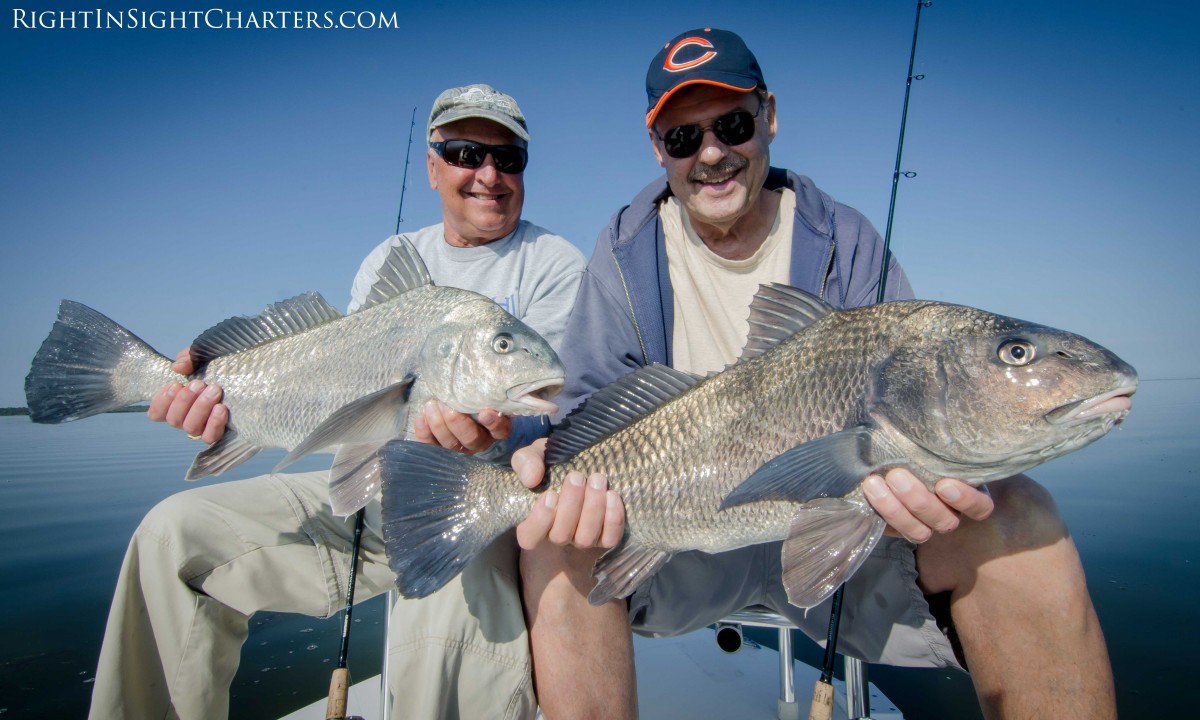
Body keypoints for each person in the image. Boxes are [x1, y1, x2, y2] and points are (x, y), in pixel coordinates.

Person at [511, 29, 1117, 720]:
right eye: (684, 139)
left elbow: (893, 468)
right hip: (674, 534)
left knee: (1021, 515)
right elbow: (588, 404)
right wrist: (546, 456)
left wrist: (902, 501)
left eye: (732, 125)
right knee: (550, 537)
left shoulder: (847, 236)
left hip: (852, 531)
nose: (711, 154)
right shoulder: (622, 253)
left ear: (768, 115)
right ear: (659, 149)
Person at [89, 83, 585, 720]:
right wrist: (212, 402)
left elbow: (550, 413)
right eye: (465, 153)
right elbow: (351, 418)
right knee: (172, 534)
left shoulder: (554, 264)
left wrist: (488, 440)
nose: (488, 174)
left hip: (481, 504)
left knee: (442, 579)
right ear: (433, 166)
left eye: (508, 158)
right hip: (365, 491)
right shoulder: (392, 259)